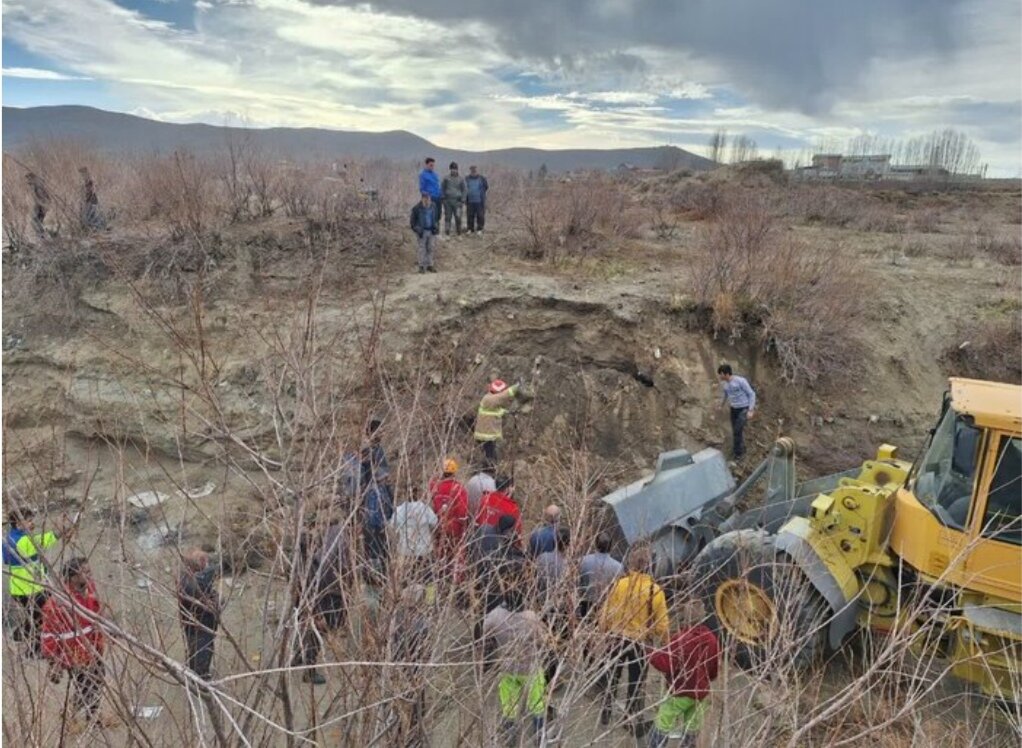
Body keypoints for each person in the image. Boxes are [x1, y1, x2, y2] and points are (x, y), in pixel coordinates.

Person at [597, 544, 670, 737]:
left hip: (616, 638)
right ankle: (629, 717)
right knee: (635, 682)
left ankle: (606, 712)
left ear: (631, 564)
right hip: (640, 642)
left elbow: (605, 612)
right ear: (650, 567)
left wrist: (604, 631)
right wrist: (663, 642)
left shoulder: (620, 584)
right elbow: (662, 626)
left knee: (612, 676)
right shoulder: (656, 592)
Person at [41, 557, 112, 731]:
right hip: (74, 653)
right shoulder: (57, 604)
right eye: (85, 572)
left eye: (89, 571)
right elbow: (49, 635)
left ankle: (78, 712)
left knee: (97, 680)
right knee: (87, 685)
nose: (90, 575)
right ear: (72, 578)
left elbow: (97, 616)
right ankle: (90, 718)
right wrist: (54, 662)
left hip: (93, 647)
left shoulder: (90, 590)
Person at [647, 602, 720, 748]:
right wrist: (706, 680)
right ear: (703, 617)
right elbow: (713, 669)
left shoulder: (681, 639)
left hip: (681, 690)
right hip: (701, 693)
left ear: (685, 617)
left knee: (663, 721)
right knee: (692, 728)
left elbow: (665, 664)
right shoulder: (712, 639)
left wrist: (650, 653)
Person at [483, 596, 551, 746]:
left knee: (509, 709)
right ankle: (540, 740)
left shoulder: (495, 615)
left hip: (508, 670)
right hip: (531, 670)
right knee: (538, 707)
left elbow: (484, 633)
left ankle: (510, 741)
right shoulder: (531, 617)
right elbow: (545, 640)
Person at [291, 520, 350, 685]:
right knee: (315, 638)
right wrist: (317, 615)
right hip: (312, 607)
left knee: (303, 633)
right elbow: (311, 592)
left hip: (300, 605)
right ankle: (309, 672)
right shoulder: (308, 568)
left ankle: (298, 657)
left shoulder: (298, 563)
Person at [3, 508, 67, 657]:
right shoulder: (24, 541)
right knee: (42, 619)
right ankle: (34, 650)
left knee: (34, 615)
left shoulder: (8, 538)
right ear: (19, 523)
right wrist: (62, 527)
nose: (32, 523)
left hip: (20, 588)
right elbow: (48, 539)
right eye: (29, 520)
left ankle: (20, 634)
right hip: (31, 589)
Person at [389, 584, 431, 747]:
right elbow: (426, 651)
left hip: (397, 667)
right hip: (414, 670)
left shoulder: (395, 616)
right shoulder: (422, 622)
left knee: (398, 704)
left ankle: (397, 735)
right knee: (415, 707)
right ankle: (413, 739)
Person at [535, 526, 572, 687]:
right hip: (559, 609)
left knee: (543, 640)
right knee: (555, 644)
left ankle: (541, 671)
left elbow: (534, 581)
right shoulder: (568, 565)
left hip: (542, 606)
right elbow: (570, 591)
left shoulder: (542, 558)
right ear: (568, 544)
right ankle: (551, 679)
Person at [178, 549, 221, 680]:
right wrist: (219, 601)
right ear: (201, 563)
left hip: (190, 624)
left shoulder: (184, 579)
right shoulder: (196, 584)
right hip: (202, 626)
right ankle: (201, 682)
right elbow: (213, 606)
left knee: (193, 651)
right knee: (202, 653)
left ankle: (194, 674)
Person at [429, 458, 470, 576]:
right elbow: (463, 512)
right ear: (455, 472)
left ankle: (441, 577)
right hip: (455, 529)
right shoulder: (459, 489)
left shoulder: (436, 487)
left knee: (441, 556)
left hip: (439, 527)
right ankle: (455, 581)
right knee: (456, 558)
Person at [390, 490, 438, 583]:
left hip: (405, 551)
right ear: (419, 495)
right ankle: (430, 597)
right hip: (424, 550)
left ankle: (407, 596)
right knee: (429, 580)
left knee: (406, 580)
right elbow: (435, 522)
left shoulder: (400, 509)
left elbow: (392, 524)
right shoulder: (425, 508)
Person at [474, 379, 521, 468]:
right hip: (486, 435)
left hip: (487, 434)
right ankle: (489, 470)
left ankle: (489, 469)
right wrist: (517, 387)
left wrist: (508, 412)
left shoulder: (489, 400)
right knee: (490, 456)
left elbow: (496, 411)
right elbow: (504, 396)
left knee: (490, 454)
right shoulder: (490, 399)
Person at [577, 532, 622, 621]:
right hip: (605, 607)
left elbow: (577, 582)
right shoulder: (618, 567)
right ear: (610, 546)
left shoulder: (583, 561)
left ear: (595, 544)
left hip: (585, 604)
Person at [717, 363, 756, 460]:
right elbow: (725, 395)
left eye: (720, 374)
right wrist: (720, 405)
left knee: (737, 431)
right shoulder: (725, 384)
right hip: (733, 409)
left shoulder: (740, 381)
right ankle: (741, 449)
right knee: (736, 431)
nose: (720, 376)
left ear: (726, 374)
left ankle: (738, 454)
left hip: (743, 409)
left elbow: (751, 394)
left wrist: (750, 410)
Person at [476, 475, 522, 540]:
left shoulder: (485, 498)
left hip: (480, 539)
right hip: (499, 545)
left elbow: (477, 520)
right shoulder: (512, 507)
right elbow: (517, 531)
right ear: (508, 488)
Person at [410, 192, 440, 273]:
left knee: (431, 248)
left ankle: (430, 265)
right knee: (422, 249)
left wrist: (436, 227)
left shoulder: (433, 206)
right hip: (422, 232)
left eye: (428, 199)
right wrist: (418, 229)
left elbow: (436, 218)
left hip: (431, 230)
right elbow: (412, 223)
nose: (427, 201)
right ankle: (421, 266)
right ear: (422, 199)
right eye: (425, 199)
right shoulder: (416, 208)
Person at [441, 162, 466, 236]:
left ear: (457, 170)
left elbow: (464, 189)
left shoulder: (461, 179)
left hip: (458, 202)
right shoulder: (446, 178)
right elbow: (442, 188)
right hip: (448, 201)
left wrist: (463, 199)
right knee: (447, 217)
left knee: (458, 217)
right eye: (452, 169)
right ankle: (447, 233)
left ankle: (459, 233)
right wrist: (443, 198)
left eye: (455, 169)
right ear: (450, 169)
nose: (454, 171)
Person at [465, 165, 489, 235]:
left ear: (477, 170)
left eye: (475, 170)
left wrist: (481, 194)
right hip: (470, 200)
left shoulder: (482, 178)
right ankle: (470, 229)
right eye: (472, 170)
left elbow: (486, 187)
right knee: (470, 215)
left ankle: (480, 229)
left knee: (480, 215)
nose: (473, 171)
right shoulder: (467, 178)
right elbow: (464, 187)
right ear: (470, 170)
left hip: (479, 200)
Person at [418, 157, 442, 223]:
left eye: (433, 165)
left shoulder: (435, 175)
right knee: (430, 216)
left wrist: (441, 194)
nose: (432, 167)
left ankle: (437, 230)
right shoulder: (423, 175)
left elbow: (438, 186)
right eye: (431, 165)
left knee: (438, 215)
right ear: (426, 165)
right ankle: (430, 231)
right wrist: (426, 196)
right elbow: (421, 188)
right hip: (429, 199)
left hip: (438, 198)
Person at [25, 172, 50, 238]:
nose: (27, 181)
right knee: (38, 220)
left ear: (31, 178)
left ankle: (42, 235)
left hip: (41, 205)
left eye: (28, 178)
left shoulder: (36, 185)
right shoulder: (38, 183)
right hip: (43, 204)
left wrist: (41, 205)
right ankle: (43, 235)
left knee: (34, 220)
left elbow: (41, 196)